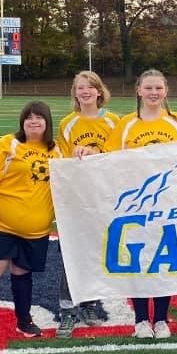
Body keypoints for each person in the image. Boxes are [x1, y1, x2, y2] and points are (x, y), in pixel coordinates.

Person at [0, 101, 62, 341]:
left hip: (36, 228)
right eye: (29, 117)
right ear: (22, 121)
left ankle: (23, 320)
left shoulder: (56, 150)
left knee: (22, 272)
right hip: (1, 224)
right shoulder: (8, 144)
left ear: (47, 122)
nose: (33, 121)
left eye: (39, 117)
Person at [104, 69, 177, 339]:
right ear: (138, 90)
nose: (154, 93)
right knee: (138, 260)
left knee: (164, 260)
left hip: (170, 204)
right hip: (137, 205)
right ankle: (141, 320)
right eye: (149, 88)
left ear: (166, 91)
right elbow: (107, 160)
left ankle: (161, 319)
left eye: (158, 88)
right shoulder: (127, 124)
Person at [55, 71, 119, 336]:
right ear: (75, 93)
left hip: (104, 196)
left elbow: (120, 156)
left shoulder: (114, 121)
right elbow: (60, 161)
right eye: (80, 88)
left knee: (95, 252)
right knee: (71, 254)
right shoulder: (68, 123)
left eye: (90, 87)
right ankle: (68, 310)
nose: (85, 92)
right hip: (77, 197)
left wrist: (95, 153)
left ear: (99, 91)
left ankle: (90, 303)